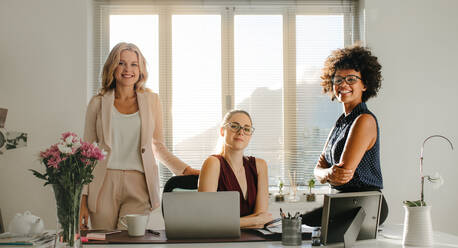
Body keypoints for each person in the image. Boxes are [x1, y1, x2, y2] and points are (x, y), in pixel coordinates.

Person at [79, 42, 199, 230]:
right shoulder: (98, 103)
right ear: (112, 67)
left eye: (134, 64)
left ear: (140, 68)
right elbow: (86, 153)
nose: (128, 69)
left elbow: (157, 146)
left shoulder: (152, 101)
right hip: (103, 183)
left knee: (130, 241)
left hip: (139, 183)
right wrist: (82, 200)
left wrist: (185, 170)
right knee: (103, 241)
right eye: (121, 63)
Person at [302, 45, 388, 226]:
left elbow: (343, 174)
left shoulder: (364, 120)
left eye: (351, 79)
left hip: (364, 204)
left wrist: (326, 173)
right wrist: (328, 173)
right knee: (295, 223)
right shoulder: (341, 122)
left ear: (365, 84)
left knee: (298, 224)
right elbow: (318, 169)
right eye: (338, 79)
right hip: (342, 201)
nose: (343, 84)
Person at [198, 110, 273, 228]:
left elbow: (262, 221)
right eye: (234, 126)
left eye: (246, 129)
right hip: (221, 242)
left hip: (254, 242)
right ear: (222, 131)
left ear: (250, 135)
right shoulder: (213, 163)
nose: (241, 132)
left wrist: (229, 223)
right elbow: (207, 221)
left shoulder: (260, 166)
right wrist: (254, 221)